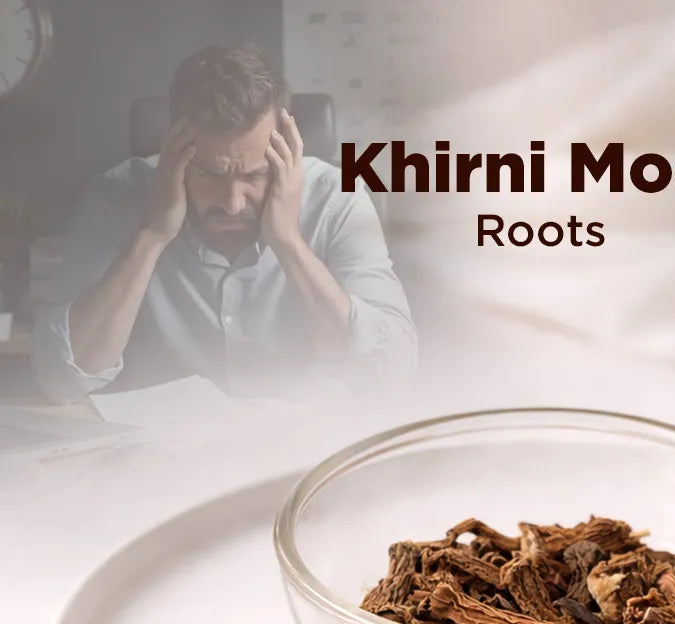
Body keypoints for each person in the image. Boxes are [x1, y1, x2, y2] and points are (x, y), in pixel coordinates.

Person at [33, 43, 417, 403]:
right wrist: (152, 235)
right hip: (163, 463)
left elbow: (393, 373)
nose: (232, 204)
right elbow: (60, 380)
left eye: (253, 176)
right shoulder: (117, 197)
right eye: (209, 174)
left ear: (286, 147)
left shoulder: (338, 199)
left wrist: (288, 242)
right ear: (173, 148)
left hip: (305, 457)